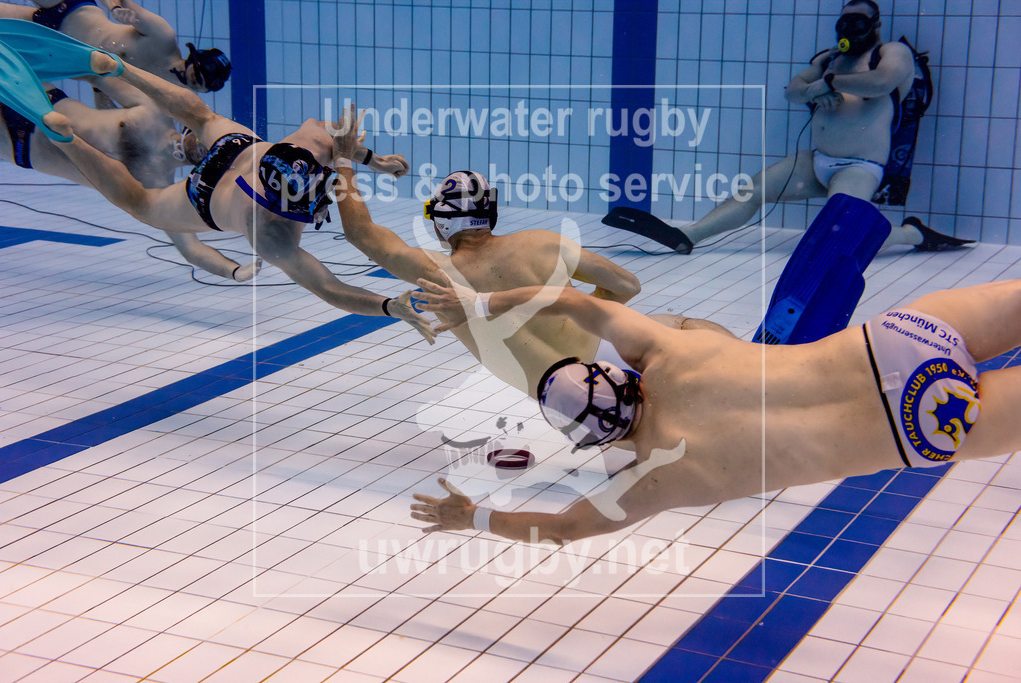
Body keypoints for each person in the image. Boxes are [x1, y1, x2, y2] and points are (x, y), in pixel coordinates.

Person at [410, 272, 1020, 544]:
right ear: (620, 377)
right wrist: (479, 299)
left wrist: (474, 519)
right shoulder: (667, 351)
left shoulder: (656, 479)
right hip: (891, 340)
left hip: (913, 426)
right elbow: (570, 300)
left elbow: (565, 529)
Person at [27, 49, 434, 340]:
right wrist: (386, 306)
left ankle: (121, 69)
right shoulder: (272, 235)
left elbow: (327, 131)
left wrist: (374, 160)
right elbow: (330, 289)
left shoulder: (307, 142)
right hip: (209, 199)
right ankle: (67, 142)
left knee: (200, 116)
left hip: (240, 150)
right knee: (142, 205)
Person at [331, 105, 731, 397]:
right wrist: (582, 312)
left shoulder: (438, 275)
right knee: (686, 332)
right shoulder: (542, 243)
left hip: (569, 398)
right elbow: (627, 284)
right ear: (491, 213)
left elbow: (361, 233)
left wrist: (344, 160)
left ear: (439, 222)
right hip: (617, 353)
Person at [664, 0, 970, 254]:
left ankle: (911, 233)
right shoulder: (829, 58)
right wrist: (816, 90)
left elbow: (882, 82)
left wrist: (829, 83)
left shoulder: (890, 53)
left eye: (858, 22)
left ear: (875, 25)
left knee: (841, 236)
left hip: (859, 167)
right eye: (845, 22)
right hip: (815, 161)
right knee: (752, 190)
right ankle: (690, 235)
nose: (850, 29)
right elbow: (792, 90)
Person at [0, 76, 260, 280]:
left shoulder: (157, 184)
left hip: (20, 145)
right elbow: (97, 73)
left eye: (217, 153)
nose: (212, 147)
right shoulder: (152, 110)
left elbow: (190, 248)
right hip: (42, 97)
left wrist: (234, 271)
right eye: (216, 141)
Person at [0, 0, 231, 92]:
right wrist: (116, 9)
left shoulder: (162, 94)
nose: (194, 81)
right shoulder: (163, 37)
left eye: (201, 84)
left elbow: (104, 86)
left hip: (53, 52)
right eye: (197, 75)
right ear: (194, 59)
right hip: (70, 9)